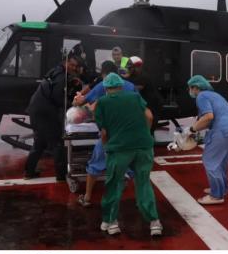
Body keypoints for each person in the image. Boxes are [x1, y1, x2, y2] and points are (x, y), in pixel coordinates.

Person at [94, 72, 161, 237]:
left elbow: (104, 133)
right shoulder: (134, 97)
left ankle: (111, 222)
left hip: (120, 149)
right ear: (121, 86)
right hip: (143, 146)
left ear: (106, 88)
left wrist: (107, 147)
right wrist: (144, 133)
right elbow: (149, 116)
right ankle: (154, 223)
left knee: (114, 185)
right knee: (143, 183)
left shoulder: (102, 103)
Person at [75, 60, 136, 207]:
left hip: (110, 135)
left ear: (104, 74)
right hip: (129, 135)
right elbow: (145, 113)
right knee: (131, 164)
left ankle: (88, 197)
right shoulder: (130, 86)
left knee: (96, 164)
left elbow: (87, 104)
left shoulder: (103, 85)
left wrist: (77, 100)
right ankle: (138, 196)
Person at [24, 54, 83, 179]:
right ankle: (61, 176)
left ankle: (29, 172)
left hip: (36, 109)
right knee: (57, 142)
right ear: (65, 63)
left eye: (75, 66)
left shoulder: (56, 71)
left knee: (39, 141)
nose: (73, 68)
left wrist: (71, 81)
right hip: (45, 113)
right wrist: (72, 104)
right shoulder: (61, 77)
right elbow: (57, 98)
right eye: (71, 65)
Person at [186, 74, 228, 205]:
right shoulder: (215, 95)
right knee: (222, 161)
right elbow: (207, 120)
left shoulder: (201, 96)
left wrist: (191, 130)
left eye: (190, 88)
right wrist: (196, 128)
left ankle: (216, 196)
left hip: (222, 130)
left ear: (196, 87)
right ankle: (222, 189)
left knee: (210, 160)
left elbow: (208, 117)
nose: (190, 91)